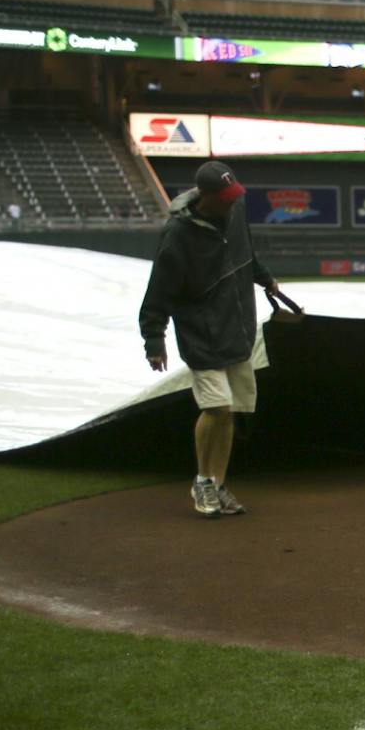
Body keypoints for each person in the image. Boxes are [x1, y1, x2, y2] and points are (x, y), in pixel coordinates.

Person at [138, 160, 302, 518]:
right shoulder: (178, 235)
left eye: (234, 195)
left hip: (238, 327)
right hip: (202, 335)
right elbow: (158, 295)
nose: (232, 202)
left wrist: (267, 279)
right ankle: (202, 481)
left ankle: (219, 483)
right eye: (225, 198)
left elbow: (247, 256)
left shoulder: (236, 208)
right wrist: (155, 341)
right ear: (206, 197)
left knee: (232, 412)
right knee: (217, 407)